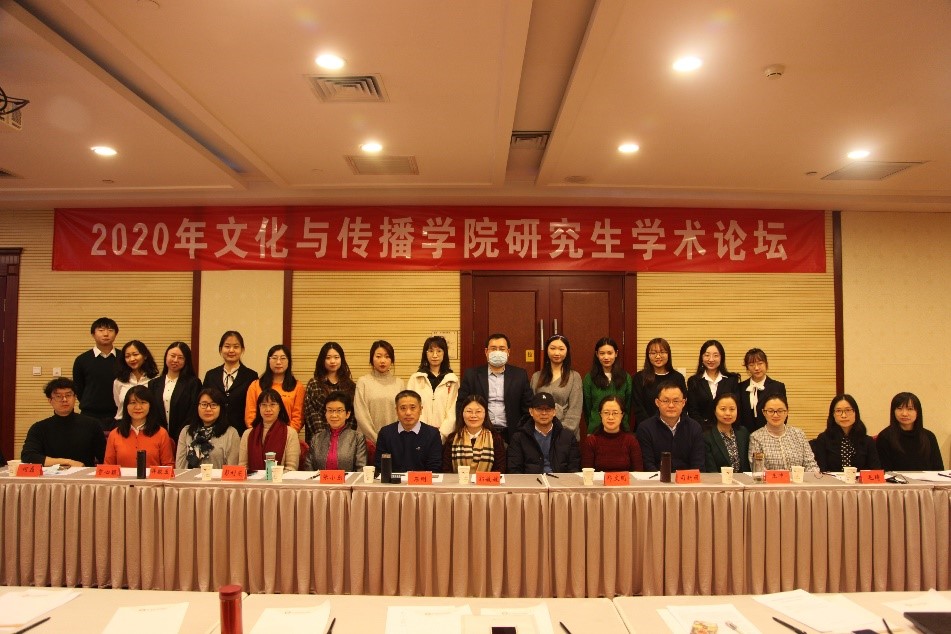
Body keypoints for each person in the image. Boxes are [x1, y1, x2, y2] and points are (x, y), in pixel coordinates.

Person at [457, 333, 533, 443]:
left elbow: (528, 408)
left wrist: (522, 432)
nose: (497, 352)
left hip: (512, 434)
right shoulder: (471, 375)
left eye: (502, 349)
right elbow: (461, 405)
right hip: (480, 433)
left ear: (508, 352)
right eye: (493, 349)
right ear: (486, 352)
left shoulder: (520, 375)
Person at [21, 378, 105, 467]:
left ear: (75, 397)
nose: (64, 399)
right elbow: (28, 456)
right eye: (58, 396)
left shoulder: (92, 425)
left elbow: (105, 457)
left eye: (68, 395)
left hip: (84, 474)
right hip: (50, 475)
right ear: (50, 400)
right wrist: (67, 462)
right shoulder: (39, 428)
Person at [636, 380, 704, 471]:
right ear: (657, 402)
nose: (671, 405)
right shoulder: (645, 428)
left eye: (676, 401)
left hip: (686, 479)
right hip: (657, 478)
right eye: (666, 401)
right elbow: (647, 464)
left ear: (683, 403)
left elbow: (698, 465)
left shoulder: (694, 428)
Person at [202, 331, 258, 439]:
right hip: (213, 431)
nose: (231, 350)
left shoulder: (251, 376)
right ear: (220, 349)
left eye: (236, 347)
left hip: (241, 432)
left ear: (242, 350)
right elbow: (203, 403)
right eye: (227, 346)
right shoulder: (211, 375)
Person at [507, 392, 581, 474]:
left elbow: (574, 468)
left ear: (554, 412)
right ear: (531, 411)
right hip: (530, 481)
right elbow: (514, 470)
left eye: (548, 409)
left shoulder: (568, 437)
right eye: (539, 409)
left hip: (560, 481)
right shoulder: (519, 438)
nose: (544, 413)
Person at [104, 385, 175, 467]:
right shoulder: (114, 434)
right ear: (126, 406)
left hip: (153, 476)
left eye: (143, 402)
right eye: (133, 402)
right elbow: (108, 467)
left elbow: (168, 466)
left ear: (150, 405)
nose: (138, 407)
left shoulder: (161, 433)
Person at [374, 390, 442, 473]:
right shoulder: (385, 433)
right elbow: (380, 466)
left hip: (422, 480)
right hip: (393, 480)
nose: (408, 413)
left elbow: (434, 468)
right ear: (396, 410)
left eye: (413, 408)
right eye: (403, 408)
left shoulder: (432, 434)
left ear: (420, 410)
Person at [147, 341, 202, 444]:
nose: (175, 360)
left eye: (180, 357)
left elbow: (193, 413)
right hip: (158, 437)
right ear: (166, 356)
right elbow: (152, 412)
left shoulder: (193, 383)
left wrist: (179, 436)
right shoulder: (153, 384)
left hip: (184, 437)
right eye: (172, 356)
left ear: (186, 361)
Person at [406, 335, 459, 440]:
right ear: (425, 353)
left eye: (439, 351)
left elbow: (453, 410)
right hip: (418, 434)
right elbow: (411, 407)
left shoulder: (452, 380)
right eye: (430, 351)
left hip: (444, 436)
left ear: (444, 353)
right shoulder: (415, 378)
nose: (435, 355)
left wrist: (442, 434)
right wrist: (421, 431)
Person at [748, 394, 819, 472]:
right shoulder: (756, 437)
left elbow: (810, 464)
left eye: (780, 411)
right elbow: (758, 469)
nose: (775, 415)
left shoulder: (799, 434)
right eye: (770, 411)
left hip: (799, 479)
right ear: (764, 412)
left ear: (787, 412)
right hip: (770, 480)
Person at [72, 317, 120, 432]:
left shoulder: (123, 358)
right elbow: (78, 388)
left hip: (119, 415)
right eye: (101, 330)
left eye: (110, 330)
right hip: (90, 415)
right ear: (93, 334)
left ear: (116, 334)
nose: (106, 334)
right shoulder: (82, 360)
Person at [303, 342, 357, 443]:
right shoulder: (314, 384)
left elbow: (352, 416)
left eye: (336, 357)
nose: (332, 361)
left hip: (345, 442)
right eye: (328, 358)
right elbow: (311, 415)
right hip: (319, 442)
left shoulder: (350, 386)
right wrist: (325, 439)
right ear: (322, 360)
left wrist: (343, 439)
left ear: (342, 359)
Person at [811, 395, 881, 472]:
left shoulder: (868, 441)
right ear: (833, 414)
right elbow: (821, 471)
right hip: (831, 480)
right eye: (838, 411)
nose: (843, 415)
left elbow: (876, 471)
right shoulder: (823, 439)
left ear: (855, 412)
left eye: (848, 410)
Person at [876, 392, 944, 471]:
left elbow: (938, 469)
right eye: (899, 408)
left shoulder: (929, 436)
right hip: (896, 479)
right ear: (893, 411)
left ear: (918, 412)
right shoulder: (885, 437)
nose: (904, 414)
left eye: (910, 409)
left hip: (927, 479)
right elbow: (884, 471)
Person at [531, 334, 583, 438]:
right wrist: (542, 431)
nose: (556, 353)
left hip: (566, 434)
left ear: (567, 351)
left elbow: (575, 410)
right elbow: (532, 406)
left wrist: (560, 432)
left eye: (561, 349)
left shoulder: (574, 377)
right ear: (547, 350)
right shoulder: (536, 376)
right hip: (540, 433)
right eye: (553, 348)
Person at [244, 344, 305, 432]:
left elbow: (298, 418)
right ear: (268, 361)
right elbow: (250, 416)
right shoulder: (255, 385)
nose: (278, 362)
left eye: (283, 358)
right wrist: (260, 434)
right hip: (259, 435)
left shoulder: (297, 386)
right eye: (274, 358)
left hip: (287, 435)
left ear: (289, 361)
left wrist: (285, 434)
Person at [176, 388, 240, 469]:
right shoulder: (186, 431)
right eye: (204, 404)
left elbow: (232, 469)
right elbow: (180, 466)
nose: (208, 409)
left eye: (213, 405)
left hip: (218, 477)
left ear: (221, 408)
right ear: (197, 406)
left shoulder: (231, 433)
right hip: (189, 477)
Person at [355, 340, 405, 443]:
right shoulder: (363, 382)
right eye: (378, 356)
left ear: (392, 360)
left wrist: (391, 439)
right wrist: (376, 439)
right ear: (371, 358)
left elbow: (403, 413)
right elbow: (361, 415)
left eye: (387, 357)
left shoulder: (399, 383)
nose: (382, 361)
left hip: (393, 441)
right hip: (367, 442)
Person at [304, 391, 367, 471]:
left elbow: (361, 469)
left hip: (348, 479)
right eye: (330, 410)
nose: (334, 415)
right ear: (325, 413)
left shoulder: (357, 438)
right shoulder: (316, 438)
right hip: (320, 479)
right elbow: (308, 467)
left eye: (339, 410)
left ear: (347, 414)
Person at [442, 394, 506, 473]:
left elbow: (500, 469)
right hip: (458, 481)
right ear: (462, 413)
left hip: (486, 481)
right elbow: (446, 470)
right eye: (469, 411)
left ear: (485, 414)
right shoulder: (452, 438)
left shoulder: (495, 438)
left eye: (478, 412)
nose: (473, 415)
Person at [631, 338, 686, 429]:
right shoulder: (639, 378)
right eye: (653, 353)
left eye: (662, 352)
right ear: (648, 355)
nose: (658, 356)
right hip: (646, 428)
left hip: (673, 428)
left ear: (668, 354)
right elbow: (638, 407)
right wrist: (651, 428)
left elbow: (682, 405)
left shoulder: (678, 378)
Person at [239, 388, 300, 471]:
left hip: (281, 478)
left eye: (272, 404)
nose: (268, 409)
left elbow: (291, 468)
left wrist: (273, 477)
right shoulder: (247, 434)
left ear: (280, 407)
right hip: (252, 479)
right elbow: (242, 467)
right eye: (264, 405)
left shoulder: (290, 433)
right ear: (259, 407)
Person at [686, 340, 740, 432]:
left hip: (727, 430)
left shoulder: (732, 380)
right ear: (701, 357)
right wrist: (706, 430)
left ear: (721, 357)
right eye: (707, 355)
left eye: (715, 355)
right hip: (702, 431)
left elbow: (736, 407)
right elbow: (693, 411)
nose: (711, 359)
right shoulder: (694, 381)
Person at [582, 337, 633, 434]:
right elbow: (587, 408)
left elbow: (627, 407)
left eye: (610, 353)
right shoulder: (589, 378)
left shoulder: (626, 378)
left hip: (621, 430)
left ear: (616, 353)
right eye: (602, 353)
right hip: (595, 430)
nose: (606, 357)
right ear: (597, 354)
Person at [581, 395, 644, 472]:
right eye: (606, 413)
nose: (610, 417)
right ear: (600, 414)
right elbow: (587, 474)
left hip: (625, 480)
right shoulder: (591, 441)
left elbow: (638, 472)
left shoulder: (631, 441)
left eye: (615, 413)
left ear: (622, 415)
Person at [736, 348, 786, 434]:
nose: (756, 368)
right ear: (747, 367)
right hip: (745, 435)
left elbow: (783, 413)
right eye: (751, 365)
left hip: (771, 434)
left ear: (766, 364)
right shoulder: (740, 387)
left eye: (760, 363)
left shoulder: (777, 387)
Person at [703, 392, 751, 473]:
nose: (728, 413)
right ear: (714, 411)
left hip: (743, 479)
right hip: (718, 480)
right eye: (723, 409)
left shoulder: (743, 432)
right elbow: (711, 469)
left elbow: (747, 465)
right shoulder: (706, 436)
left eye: (732, 409)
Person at [113, 339, 159, 422]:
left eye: (135, 354)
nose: (132, 359)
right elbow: (118, 404)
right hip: (122, 423)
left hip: (148, 424)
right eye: (127, 356)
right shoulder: (119, 381)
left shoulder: (155, 380)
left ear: (145, 356)